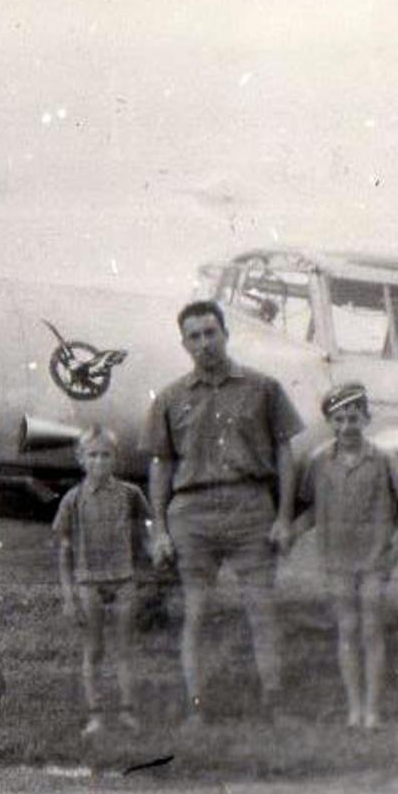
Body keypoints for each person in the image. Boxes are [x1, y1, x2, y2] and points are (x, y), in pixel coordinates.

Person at [144, 299, 304, 726]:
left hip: (250, 506)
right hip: (191, 513)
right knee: (195, 612)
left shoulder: (263, 388)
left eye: (210, 333)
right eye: (194, 336)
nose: (204, 343)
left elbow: (285, 455)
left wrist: (284, 517)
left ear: (225, 334)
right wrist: (159, 528)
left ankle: (274, 706)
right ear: (184, 344)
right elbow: (160, 465)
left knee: (261, 610)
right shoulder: (170, 399)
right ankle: (196, 709)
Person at [293, 382, 398, 729]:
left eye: (353, 418)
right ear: (330, 423)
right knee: (347, 629)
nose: (346, 426)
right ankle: (354, 708)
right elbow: (313, 508)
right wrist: (289, 533)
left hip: (374, 557)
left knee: (371, 629)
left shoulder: (384, 458)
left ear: (366, 419)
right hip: (336, 558)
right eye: (338, 420)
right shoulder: (319, 460)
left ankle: (373, 711)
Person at [54, 425, 152, 737]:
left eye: (106, 456)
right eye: (92, 456)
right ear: (81, 458)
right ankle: (95, 714)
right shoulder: (73, 499)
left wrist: (149, 569)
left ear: (116, 459)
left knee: (124, 649)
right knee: (93, 649)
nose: (99, 462)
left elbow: (144, 535)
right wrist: (69, 596)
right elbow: (65, 551)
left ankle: (127, 712)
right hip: (88, 582)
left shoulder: (130, 495)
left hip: (123, 579)